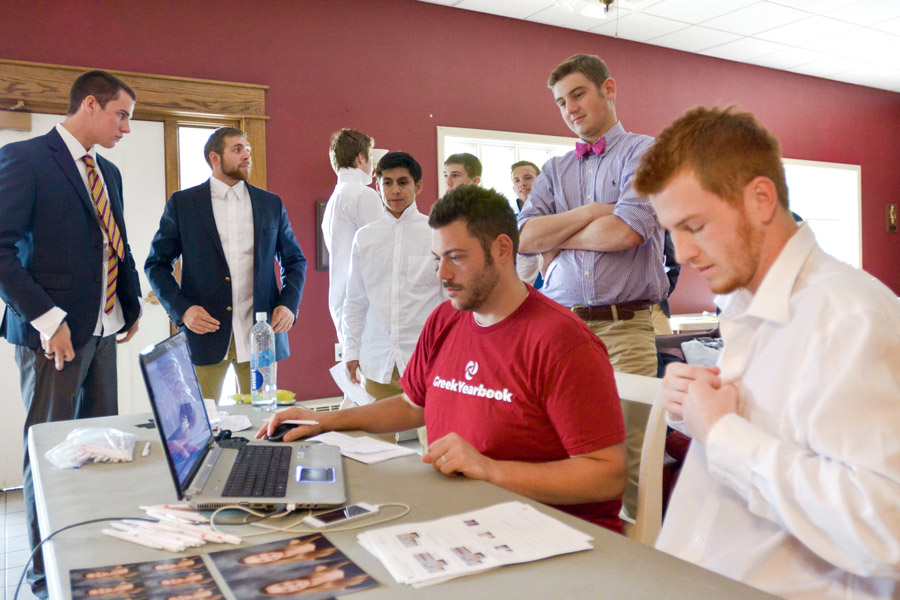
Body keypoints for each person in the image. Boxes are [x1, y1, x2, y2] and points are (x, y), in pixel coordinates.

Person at [633, 105, 900, 600]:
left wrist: (722, 433)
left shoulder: (850, 318)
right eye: (671, 231)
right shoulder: (741, 301)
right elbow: (787, 429)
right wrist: (693, 411)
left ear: (759, 199)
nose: (681, 254)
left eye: (693, 225)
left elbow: (887, 527)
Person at [260, 185, 627, 532]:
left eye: (455, 258)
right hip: (462, 515)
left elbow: (606, 475)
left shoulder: (561, 340)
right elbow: (410, 405)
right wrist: (325, 421)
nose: (442, 275)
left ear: (502, 250)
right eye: (438, 259)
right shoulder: (447, 318)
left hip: (546, 530)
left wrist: (489, 469)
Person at [0, 70, 143, 598]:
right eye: (121, 114)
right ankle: (44, 581)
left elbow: (116, 242)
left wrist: (130, 305)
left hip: (103, 330)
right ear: (90, 104)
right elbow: (1, 250)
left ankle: (92, 564)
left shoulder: (108, 172)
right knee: (48, 454)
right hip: (51, 337)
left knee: (100, 451)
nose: (127, 127)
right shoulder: (26, 159)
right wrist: (48, 319)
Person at [516, 53, 668, 519]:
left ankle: (642, 575)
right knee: (563, 453)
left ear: (609, 88)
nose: (570, 109)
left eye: (578, 94)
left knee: (632, 462)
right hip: (561, 333)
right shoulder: (554, 170)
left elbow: (625, 233)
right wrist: (590, 213)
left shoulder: (644, 152)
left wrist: (558, 236)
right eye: (561, 102)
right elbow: (523, 239)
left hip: (624, 331)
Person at [145, 127, 306, 401]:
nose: (247, 156)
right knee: (205, 420)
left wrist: (289, 304)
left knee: (262, 419)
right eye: (238, 149)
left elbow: (294, 260)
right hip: (205, 334)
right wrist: (182, 310)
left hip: (261, 336)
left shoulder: (270, 204)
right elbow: (156, 264)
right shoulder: (184, 204)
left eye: (248, 150)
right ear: (215, 158)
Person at [342, 152, 443, 422]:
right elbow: (355, 300)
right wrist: (350, 351)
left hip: (426, 360)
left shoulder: (436, 233)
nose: (394, 190)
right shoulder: (365, 237)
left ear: (417, 186)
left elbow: (449, 300)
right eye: (387, 182)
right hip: (377, 361)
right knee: (375, 452)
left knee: (434, 448)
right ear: (378, 187)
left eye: (402, 182)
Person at [321, 129, 382, 344]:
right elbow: (379, 253)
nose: (372, 165)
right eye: (371, 157)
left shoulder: (333, 200)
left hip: (341, 300)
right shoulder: (364, 195)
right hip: (365, 305)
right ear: (361, 157)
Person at [509, 160, 544, 287]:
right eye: (516, 180)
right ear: (513, 188)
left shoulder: (556, 216)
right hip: (517, 291)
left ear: (541, 181)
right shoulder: (507, 222)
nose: (522, 184)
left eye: (528, 178)